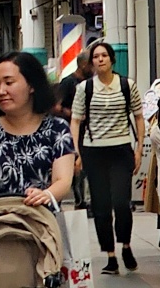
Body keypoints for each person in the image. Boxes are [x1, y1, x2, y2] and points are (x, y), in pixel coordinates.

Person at [0, 52, 76, 210]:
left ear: (31, 85)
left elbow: (62, 180)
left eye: (9, 82)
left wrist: (46, 195)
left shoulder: (57, 129)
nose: (1, 91)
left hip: (42, 224)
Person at [70, 41, 145, 275]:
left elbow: (139, 116)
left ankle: (126, 245)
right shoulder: (85, 88)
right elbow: (75, 120)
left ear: (112, 59)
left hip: (121, 149)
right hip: (94, 151)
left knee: (122, 203)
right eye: (96, 56)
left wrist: (139, 148)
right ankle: (110, 255)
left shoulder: (126, 85)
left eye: (104, 55)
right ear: (91, 62)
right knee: (101, 206)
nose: (100, 59)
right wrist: (77, 152)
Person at [54, 51, 92, 208]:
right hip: (69, 130)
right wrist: (73, 114)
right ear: (83, 65)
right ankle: (75, 200)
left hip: (88, 131)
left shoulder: (90, 83)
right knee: (72, 166)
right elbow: (56, 107)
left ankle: (84, 200)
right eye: (91, 64)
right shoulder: (68, 83)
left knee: (84, 166)